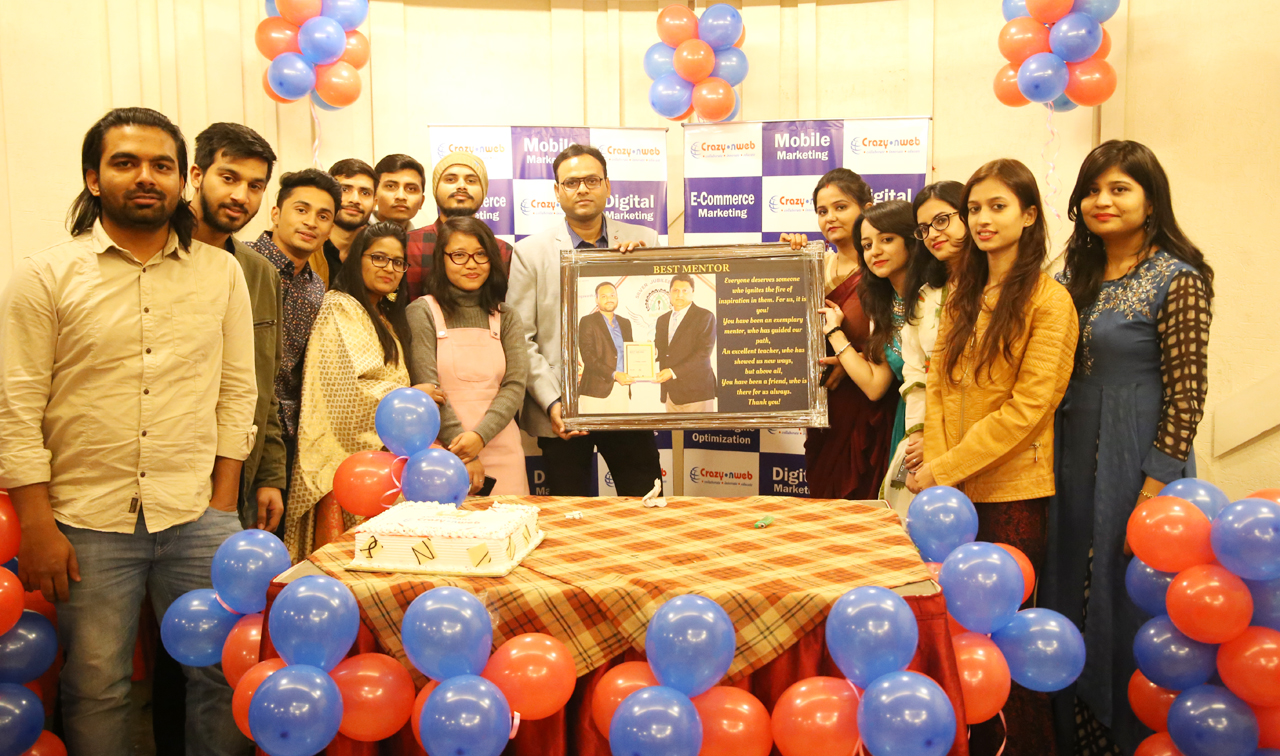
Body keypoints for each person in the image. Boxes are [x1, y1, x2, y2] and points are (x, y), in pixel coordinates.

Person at [0, 107, 256, 756]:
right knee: (97, 686)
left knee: (221, 675)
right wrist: (37, 526)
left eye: (161, 165)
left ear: (182, 179)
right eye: (126, 163)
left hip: (197, 514)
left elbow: (237, 393)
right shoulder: (44, 276)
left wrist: (223, 504)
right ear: (94, 178)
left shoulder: (221, 273)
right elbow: (15, 406)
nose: (146, 177)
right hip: (84, 521)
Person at [1041, 141, 1214, 756]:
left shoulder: (1177, 277)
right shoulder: (1069, 279)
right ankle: (1069, 735)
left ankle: (1126, 737)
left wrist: (1154, 490)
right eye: (1092, 190)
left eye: (1120, 189)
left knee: (1125, 591)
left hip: (1136, 456)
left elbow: (1187, 394)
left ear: (1150, 200)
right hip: (1068, 453)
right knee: (1067, 586)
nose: (1102, 201)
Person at [913, 158, 1079, 756]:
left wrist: (944, 469)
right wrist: (938, 478)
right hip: (949, 501)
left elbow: (1028, 409)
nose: (983, 219)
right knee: (952, 638)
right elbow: (938, 388)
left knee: (1005, 643)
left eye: (998, 207)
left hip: (1012, 495)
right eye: (975, 208)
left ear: (1029, 215)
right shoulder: (962, 293)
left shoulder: (1050, 301)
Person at [509, 143, 663, 496]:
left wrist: (642, 268)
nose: (582, 189)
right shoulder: (530, 253)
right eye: (571, 182)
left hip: (627, 405)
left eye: (592, 180)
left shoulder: (644, 241)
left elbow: (654, 318)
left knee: (645, 503)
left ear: (607, 186)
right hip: (562, 410)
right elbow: (520, 339)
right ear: (557, 191)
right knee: (570, 514)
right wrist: (552, 401)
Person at [283, 222, 422, 559]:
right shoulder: (339, 306)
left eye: (398, 262)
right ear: (357, 258)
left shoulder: (384, 314)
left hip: (385, 463)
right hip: (345, 463)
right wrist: (411, 398)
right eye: (378, 258)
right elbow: (347, 388)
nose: (389, 268)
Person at [190, 122, 286, 532]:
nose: (240, 196)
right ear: (197, 175)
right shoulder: (155, 255)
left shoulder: (260, 273)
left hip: (236, 478)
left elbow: (266, 383)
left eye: (255, 186)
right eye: (228, 178)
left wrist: (270, 475)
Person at [782, 168, 897, 500]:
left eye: (841, 207)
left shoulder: (883, 269)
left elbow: (893, 348)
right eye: (822, 211)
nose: (830, 217)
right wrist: (787, 261)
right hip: (824, 411)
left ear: (867, 208)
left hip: (866, 410)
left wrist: (852, 360)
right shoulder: (815, 265)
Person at [406, 217, 529, 495]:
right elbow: (429, 389)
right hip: (442, 451)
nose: (471, 264)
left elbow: (515, 386)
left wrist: (480, 437)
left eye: (480, 254)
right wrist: (464, 451)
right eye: (459, 255)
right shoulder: (422, 311)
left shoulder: (507, 316)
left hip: (502, 448)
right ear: (442, 260)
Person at [247, 169, 342, 505]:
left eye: (323, 216)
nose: (311, 222)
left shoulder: (316, 287)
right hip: (239, 427)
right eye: (301, 210)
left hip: (290, 438)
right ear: (276, 213)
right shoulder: (240, 263)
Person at [900, 181, 967, 503]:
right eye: (924, 229)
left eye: (942, 220)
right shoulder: (925, 296)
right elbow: (915, 371)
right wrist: (918, 435)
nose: (932, 234)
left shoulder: (997, 290)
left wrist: (939, 440)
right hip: (927, 436)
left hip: (977, 438)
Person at [404, 152, 514, 302]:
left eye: (471, 180)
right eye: (450, 179)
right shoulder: (408, 244)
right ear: (435, 189)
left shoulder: (503, 251)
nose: (461, 186)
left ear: (483, 192)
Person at [654, 273, 717, 412]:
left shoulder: (705, 317)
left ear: (692, 293)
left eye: (685, 291)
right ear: (669, 293)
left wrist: (672, 372)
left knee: (698, 427)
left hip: (697, 392)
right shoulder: (662, 320)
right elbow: (661, 349)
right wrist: (652, 352)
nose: (679, 295)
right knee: (674, 428)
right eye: (675, 290)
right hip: (670, 392)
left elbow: (703, 354)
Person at [310, 158, 376, 287]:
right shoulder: (305, 244)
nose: (355, 200)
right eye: (345, 189)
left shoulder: (376, 252)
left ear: (375, 202)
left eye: (365, 193)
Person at [577, 281, 636, 414]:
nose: (609, 299)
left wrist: (649, 353)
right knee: (595, 428)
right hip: (595, 391)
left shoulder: (625, 323)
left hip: (621, 388)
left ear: (617, 297)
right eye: (604, 296)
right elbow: (588, 356)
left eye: (612, 295)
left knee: (619, 427)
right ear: (596, 300)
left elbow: (630, 352)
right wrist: (614, 374)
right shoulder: (587, 321)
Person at [371, 153, 426, 230]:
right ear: (374, 195)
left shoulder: (424, 237)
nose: (401, 196)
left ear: (422, 201)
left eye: (411, 189)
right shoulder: (355, 233)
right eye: (390, 186)